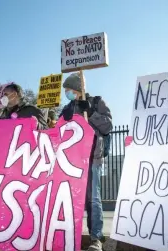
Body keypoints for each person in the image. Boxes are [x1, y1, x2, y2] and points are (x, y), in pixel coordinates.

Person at [60, 73, 113, 251]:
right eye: (65, 91)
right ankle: (69, 236)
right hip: (71, 160)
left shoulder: (97, 102)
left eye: (69, 90)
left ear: (78, 88)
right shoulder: (67, 107)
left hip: (92, 158)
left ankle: (96, 238)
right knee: (70, 198)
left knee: (93, 199)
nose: (67, 93)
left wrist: (90, 112)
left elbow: (108, 126)